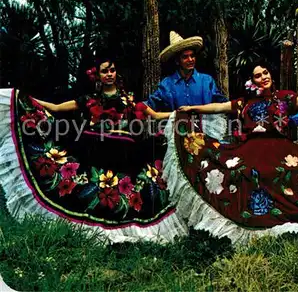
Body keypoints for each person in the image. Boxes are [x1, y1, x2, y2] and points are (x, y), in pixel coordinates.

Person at [161, 60, 298, 243]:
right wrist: (193, 108)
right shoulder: (245, 103)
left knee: (290, 173)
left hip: (281, 149)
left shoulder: (285, 97)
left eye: (266, 73)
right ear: (252, 82)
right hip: (250, 150)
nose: (263, 77)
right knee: (241, 172)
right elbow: (218, 106)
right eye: (258, 76)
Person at [0, 57, 188, 243]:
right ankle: (96, 229)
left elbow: (155, 115)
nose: (109, 74)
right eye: (104, 71)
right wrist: (24, 99)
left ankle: (125, 229)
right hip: (97, 151)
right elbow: (56, 108)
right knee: (97, 191)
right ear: (97, 75)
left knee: (126, 192)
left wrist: (182, 114)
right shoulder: (89, 100)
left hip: (125, 154)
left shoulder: (130, 101)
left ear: (117, 73)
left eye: (112, 70)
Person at [143, 31, 227, 113]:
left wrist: (236, 105)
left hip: (205, 126)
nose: (190, 60)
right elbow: (151, 104)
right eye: (185, 57)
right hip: (176, 126)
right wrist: (135, 105)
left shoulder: (206, 81)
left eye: (192, 56)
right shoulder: (167, 84)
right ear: (177, 61)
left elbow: (222, 104)